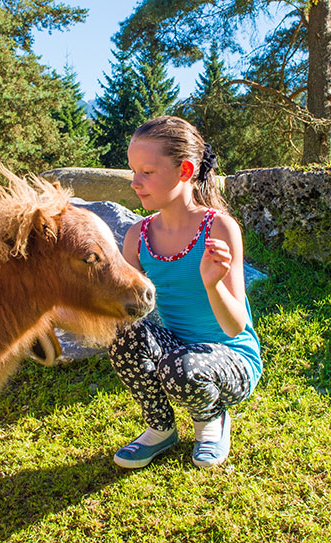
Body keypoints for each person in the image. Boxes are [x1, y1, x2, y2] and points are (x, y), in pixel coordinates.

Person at [108, 115, 261, 469]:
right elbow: (120, 305)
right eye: (133, 171)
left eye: (147, 172)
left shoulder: (218, 227)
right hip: (175, 353)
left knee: (183, 366)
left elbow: (236, 326)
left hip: (230, 359)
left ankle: (211, 420)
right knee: (121, 330)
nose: (135, 182)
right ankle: (160, 428)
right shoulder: (137, 236)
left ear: (185, 170)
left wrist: (213, 284)